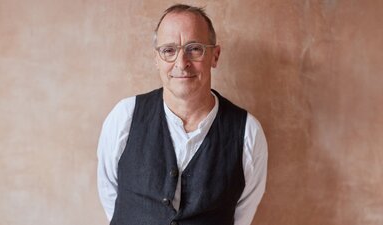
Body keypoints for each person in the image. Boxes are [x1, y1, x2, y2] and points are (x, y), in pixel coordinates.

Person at [97, 4, 268, 225]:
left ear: (214, 56)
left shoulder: (247, 133)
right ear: (156, 59)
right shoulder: (124, 117)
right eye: (169, 50)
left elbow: (241, 216)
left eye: (194, 48)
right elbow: (110, 195)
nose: (181, 63)